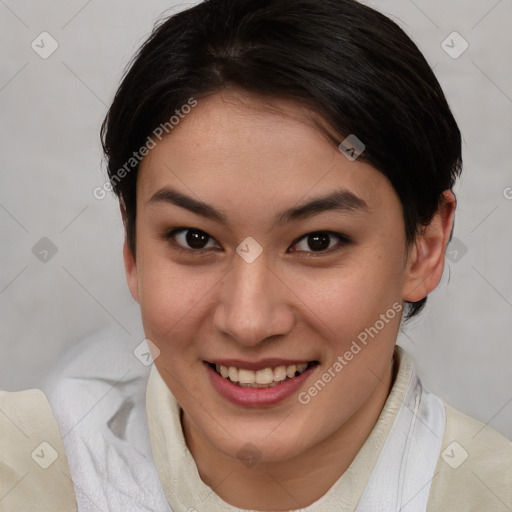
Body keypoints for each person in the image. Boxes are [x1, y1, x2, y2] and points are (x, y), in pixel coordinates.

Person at [1, 0, 511, 510]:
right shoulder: (25, 473)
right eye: (194, 239)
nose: (248, 322)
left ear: (424, 249)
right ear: (132, 249)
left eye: (318, 241)